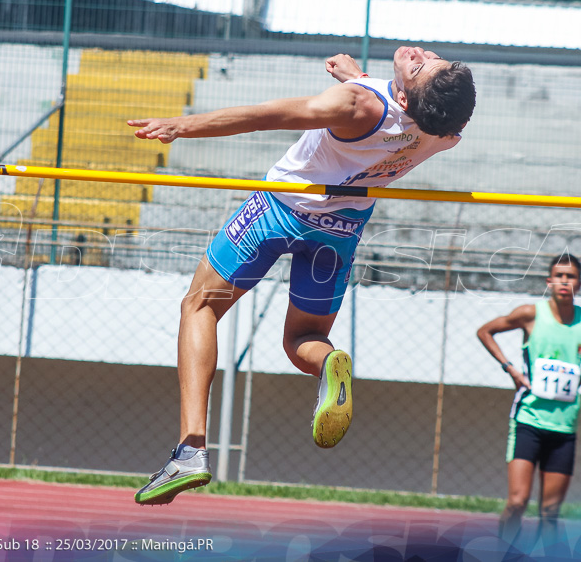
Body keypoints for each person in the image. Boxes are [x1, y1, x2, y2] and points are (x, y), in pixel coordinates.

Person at [127, 47, 476, 505]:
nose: (418, 53)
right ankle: (326, 364)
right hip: (342, 229)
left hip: (281, 211)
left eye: (418, 66)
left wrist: (181, 126)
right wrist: (366, 79)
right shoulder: (446, 128)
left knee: (200, 306)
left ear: (408, 98)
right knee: (302, 340)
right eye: (429, 58)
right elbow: (396, 120)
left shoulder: (350, 105)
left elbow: (263, 117)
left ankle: (191, 448)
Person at [476, 254, 581, 552]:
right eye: (559, 275)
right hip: (528, 420)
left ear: (580, 283)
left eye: (571, 276)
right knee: (517, 502)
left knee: (550, 513)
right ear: (549, 281)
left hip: (564, 425)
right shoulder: (530, 314)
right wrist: (509, 368)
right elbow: (485, 331)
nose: (565, 281)